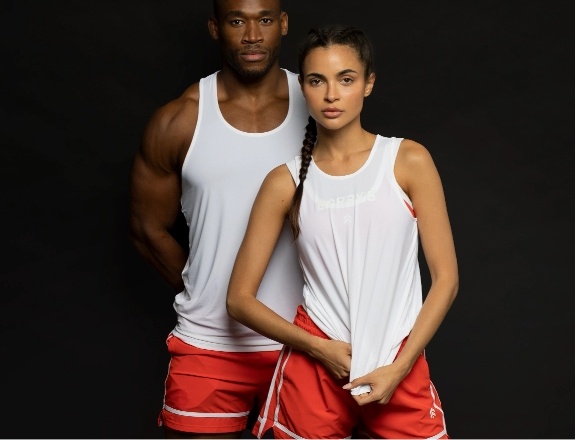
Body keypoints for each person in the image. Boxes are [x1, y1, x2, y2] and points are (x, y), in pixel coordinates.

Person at [226, 25, 459, 439]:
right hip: (316, 363)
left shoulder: (407, 160)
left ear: (368, 84)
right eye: (317, 81)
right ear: (303, 87)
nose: (331, 94)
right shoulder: (283, 183)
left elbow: (446, 280)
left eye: (346, 79)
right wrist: (319, 349)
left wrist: (400, 367)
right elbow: (239, 300)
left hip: (396, 361)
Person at [128, 0, 309, 437]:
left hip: (306, 346)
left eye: (264, 20)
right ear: (215, 28)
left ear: (282, 24)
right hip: (208, 346)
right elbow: (148, 230)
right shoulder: (180, 118)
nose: (252, 35)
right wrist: (205, 288)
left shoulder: (322, 107)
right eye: (236, 21)